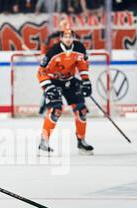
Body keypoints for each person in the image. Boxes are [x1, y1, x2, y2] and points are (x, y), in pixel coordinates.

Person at [37, 27, 94, 155]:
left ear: (73, 37)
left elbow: (82, 65)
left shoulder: (79, 48)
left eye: (70, 36)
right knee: (56, 110)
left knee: (81, 110)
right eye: (65, 36)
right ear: (61, 38)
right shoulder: (54, 51)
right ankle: (44, 142)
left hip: (69, 80)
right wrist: (47, 86)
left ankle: (81, 141)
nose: (68, 39)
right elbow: (41, 71)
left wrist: (86, 81)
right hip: (53, 81)